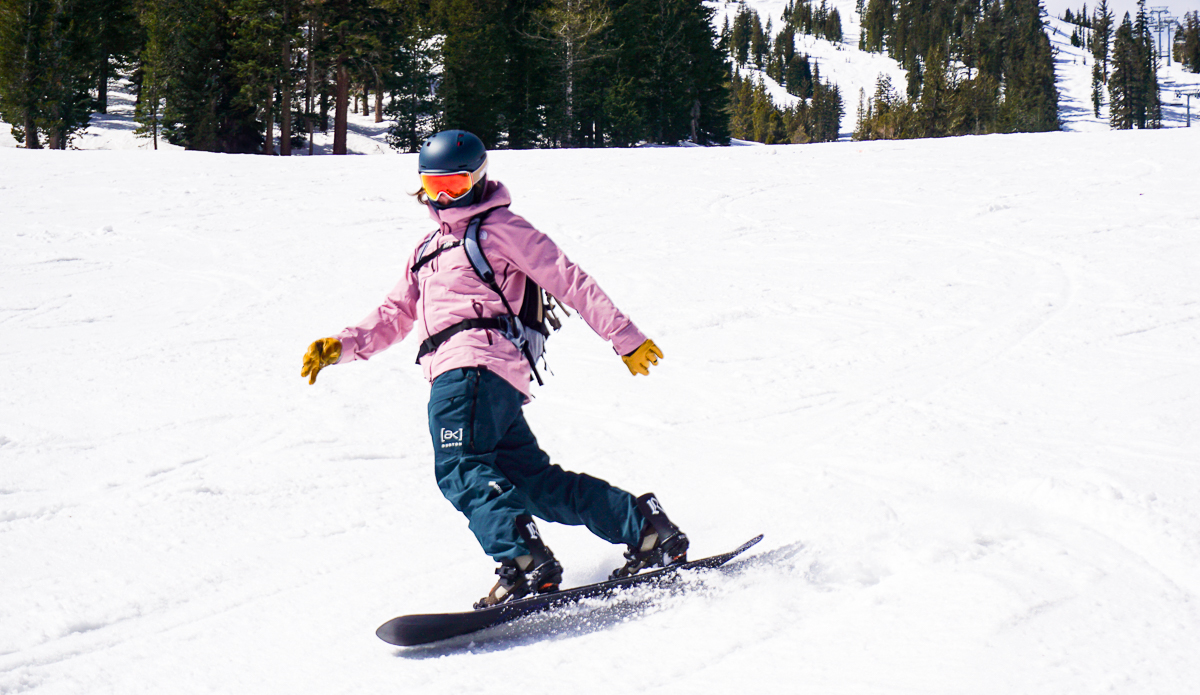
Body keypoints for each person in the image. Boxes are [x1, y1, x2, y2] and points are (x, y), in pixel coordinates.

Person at [301, 129, 689, 609]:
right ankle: (644, 527)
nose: (444, 197)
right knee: (536, 486)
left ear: (479, 180)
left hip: (471, 368)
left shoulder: (501, 229)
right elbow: (395, 314)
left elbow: (568, 279)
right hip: (485, 380)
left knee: (460, 466)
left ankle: (523, 560)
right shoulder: (425, 251)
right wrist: (340, 346)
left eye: (456, 185)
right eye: (434, 186)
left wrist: (625, 337)